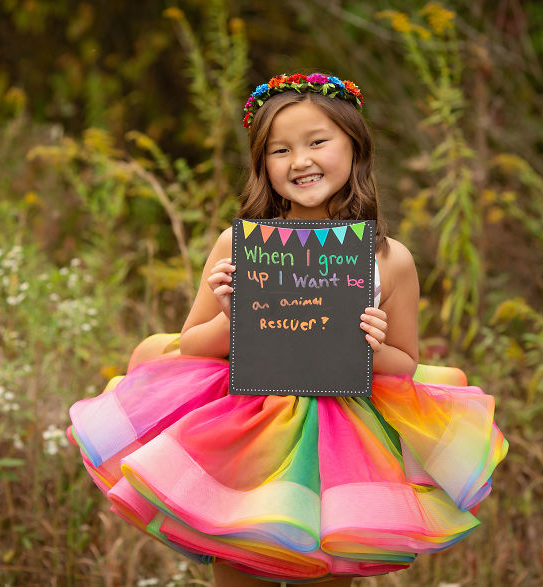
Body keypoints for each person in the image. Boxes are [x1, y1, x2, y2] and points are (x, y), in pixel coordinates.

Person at [69, 73, 507, 587]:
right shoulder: (239, 245)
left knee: (329, 562)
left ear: (355, 147)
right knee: (240, 563)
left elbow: (404, 363)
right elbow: (192, 344)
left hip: (343, 439)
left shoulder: (390, 259)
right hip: (247, 426)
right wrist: (233, 320)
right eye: (280, 150)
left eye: (317, 142)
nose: (300, 161)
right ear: (263, 166)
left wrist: (374, 345)